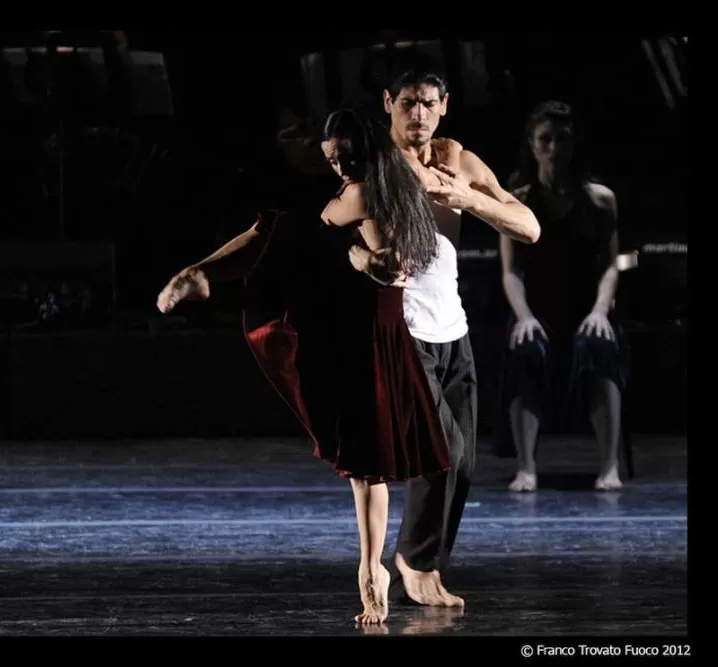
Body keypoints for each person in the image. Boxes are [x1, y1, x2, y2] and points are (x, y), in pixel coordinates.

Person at [157, 107, 452, 625]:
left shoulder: (370, 193)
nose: (339, 167)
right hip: (358, 327)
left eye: (346, 157)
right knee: (279, 229)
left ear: (366, 151)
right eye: (332, 159)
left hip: (363, 335)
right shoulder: (376, 184)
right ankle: (200, 272)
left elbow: (391, 266)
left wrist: (357, 257)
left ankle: (370, 570)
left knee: (367, 465)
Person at [359, 58, 540, 608]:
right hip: (403, 327)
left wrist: (469, 199)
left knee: (463, 461)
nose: (419, 113)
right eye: (408, 102)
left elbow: (528, 227)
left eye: (429, 103)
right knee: (442, 448)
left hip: (452, 327)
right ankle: (412, 562)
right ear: (388, 102)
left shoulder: (457, 159)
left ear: (444, 106)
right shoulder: (375, 161)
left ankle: (423, 560)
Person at [498, 100, 625, 492]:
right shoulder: (515, 200)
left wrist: (601, 310)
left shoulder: (600, 198)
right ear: (533, 145)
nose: (554, 148)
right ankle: (526, 467)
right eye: (546, 140)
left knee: (599, 347)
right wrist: (523, 316)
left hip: (588, 306)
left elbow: (611, 263)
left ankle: (609, 466)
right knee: (525, 350)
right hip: (537, 308)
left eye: (562, 140)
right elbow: (510, 271)